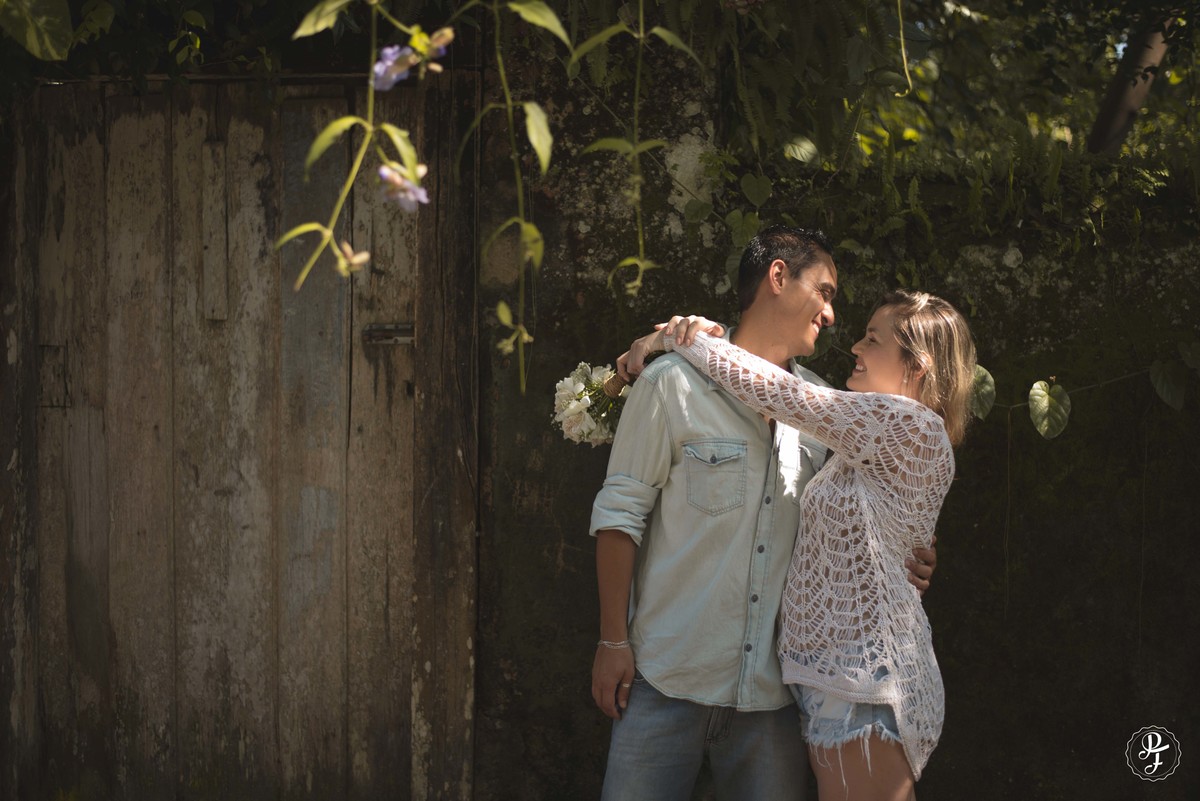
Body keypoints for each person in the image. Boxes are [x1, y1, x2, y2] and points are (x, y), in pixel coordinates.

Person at [588, 225, 938, 801]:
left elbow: (875, 510)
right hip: (665, 680)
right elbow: (619, 516)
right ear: (778, 277)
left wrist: (915, 552)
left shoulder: (826, 413)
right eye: (824, 291)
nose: (831, 315)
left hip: (773, 701)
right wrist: (611, 643)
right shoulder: (672, 384)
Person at [636, 289, 977, 801]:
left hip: (867, 686)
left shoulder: (911, 426)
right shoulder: (867, 442)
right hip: (836, 682)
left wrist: (678, 336)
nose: (856, 347)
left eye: (873, 339)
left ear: (918, 366)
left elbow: (781, 394)